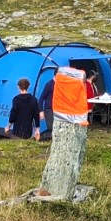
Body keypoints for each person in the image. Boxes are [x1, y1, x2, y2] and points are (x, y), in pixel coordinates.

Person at [37, 64, 93, 199]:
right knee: (51, 128)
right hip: (51, 109)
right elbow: (42, 97)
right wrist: (41, 111)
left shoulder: (69, 85)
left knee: (54, 129)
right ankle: (48, 139)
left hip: (63, 114)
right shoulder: (50, 84)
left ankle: (48, 139)